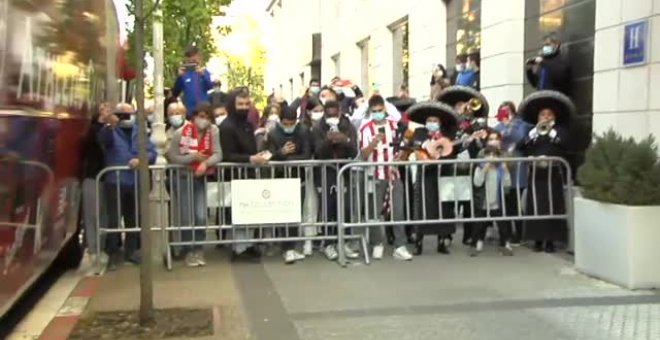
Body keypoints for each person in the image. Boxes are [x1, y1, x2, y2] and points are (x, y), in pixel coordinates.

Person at [98, 103, 157, 270]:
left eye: (129, 113)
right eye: (122, 113)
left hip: (136, 181)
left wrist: (141, 159)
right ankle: (113, 253)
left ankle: (132, 252)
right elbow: (102, 141)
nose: (126, 117)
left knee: (134, 218)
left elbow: (152, 152)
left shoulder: (140, 130)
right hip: (115, 181)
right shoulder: (110, 130)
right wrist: (109, 124)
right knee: (114, 219)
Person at [358, 95, 413, 261]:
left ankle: (400, 245)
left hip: (394, 173)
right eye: (374, 112)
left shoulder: (395, 126)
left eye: (380, 111)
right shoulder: (365, 129)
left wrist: (402, 155)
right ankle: (377, 243)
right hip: (374, 174)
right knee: (374, 211)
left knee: (398, 210)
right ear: (370, 112)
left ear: (385, 109)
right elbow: (363, 155)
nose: (377, 114)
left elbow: (405, 147)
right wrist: (373, 143)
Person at [167, 102, 222, 267]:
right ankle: (188, 249)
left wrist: (205, 164)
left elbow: (218, 154)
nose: (203, 120)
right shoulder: (180, 133)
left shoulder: (213, 131)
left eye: (207, 117)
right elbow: (173, 156)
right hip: (183, 178)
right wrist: (193, 158)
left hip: (200, 178)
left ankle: (198, 248)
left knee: (200, 215)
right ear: (194, 117)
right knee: (186, 216)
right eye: (201, 117)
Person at [518, 90, 573, 253]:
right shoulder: (534, 132)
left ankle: (550, 240)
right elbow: (521, 146)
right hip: (536, 174)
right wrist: (533, 132)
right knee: (535, 206)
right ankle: (537, 239)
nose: (546, 117)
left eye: (549, 114)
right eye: (543, 114)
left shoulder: (560, 131)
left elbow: (566, 144)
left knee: (552, 206)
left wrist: (552, 131)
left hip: (552, 174)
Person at [219, 88, 270, 260]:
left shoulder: (248, 124)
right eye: (240, 104)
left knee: (250, 211)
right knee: (238, 212)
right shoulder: (226, 126)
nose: (244, 107)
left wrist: (256, 157)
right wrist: (250, 158)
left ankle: (247, 245)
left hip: (248, 173)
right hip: (235, 175)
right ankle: (239, 248)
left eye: (247, 104)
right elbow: (227, 155)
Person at [436, 86, 490, 247]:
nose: (464, 108)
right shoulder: (448, 125)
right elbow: (446, 143)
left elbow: (482, 143)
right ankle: (446, 235)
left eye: (466, 105)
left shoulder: (476, 124)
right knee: (449, 201)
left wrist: (474, 130)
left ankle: (469, 235)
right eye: (459, 105)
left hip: (470, 166)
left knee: (469, 203)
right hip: (451, 165)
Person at [404, 102, 460, 255]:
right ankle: (418, 242)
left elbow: (454, 150)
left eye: (435, 121)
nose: (432, 124)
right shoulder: (420, 132)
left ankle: (442, 242)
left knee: (444, 209)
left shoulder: (448, 134)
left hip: (443, 174)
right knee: (423, 208)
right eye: (429, 120)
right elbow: (412, 144)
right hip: (425, 175)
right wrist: (425, 144)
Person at [311, 100, 359, 261]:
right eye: (329, 114)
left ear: (339, 112)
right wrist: (328, 141)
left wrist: (343, 139)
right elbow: (317, 152)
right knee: (328, 207)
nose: (332, 117)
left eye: (334, 113)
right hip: (326, 172)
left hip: (344, 171)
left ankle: (343, 242)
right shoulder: (318, 128)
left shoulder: (348, 126)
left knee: (345, 207)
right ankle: (328, 243)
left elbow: (354, 150)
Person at [266, 107, 312, 263]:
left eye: (292, 123)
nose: (289, 126)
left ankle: (290, 247)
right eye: (286, 123)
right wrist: (282, 153)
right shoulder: (273, 133)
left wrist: (290, 159)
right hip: (280, 178)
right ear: (280, 120)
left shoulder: (303, 131)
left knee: (295, 212)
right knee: (282, 211)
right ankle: (285, 246)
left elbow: (307, 154)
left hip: (298, 178)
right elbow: (269, 156)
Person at [494, 101, 532, 244]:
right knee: (504, 203)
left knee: (515, 203)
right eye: (502, 111)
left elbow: (520, 138)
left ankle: (520, 233)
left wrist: (511, 125)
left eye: (508, 111)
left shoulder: (521, 124)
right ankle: (506, 233)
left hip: (517, 168)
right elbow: (495, 141)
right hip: (503, 167)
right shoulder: (498, 126)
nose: (505, 114)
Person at [471, 130, 514, 257]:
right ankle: (477, 243)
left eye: (493, 154)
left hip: (497, 201)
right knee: (480, 224)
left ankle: (505, 244)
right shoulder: (479, 167)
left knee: (503, 224)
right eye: (488, 154)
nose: (491, 157)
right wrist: (484, 169)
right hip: (483, 201)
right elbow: (477, 183)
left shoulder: (500, 168)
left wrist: (506, 172)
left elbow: (507, 184)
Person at [81, 103, 111, 261]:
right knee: (93, 214)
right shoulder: (94, 130)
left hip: (105, 176)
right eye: (104, 109)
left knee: (103, 214)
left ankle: (101, 246)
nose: (107, 112)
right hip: (93, 175)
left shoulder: (110, 129)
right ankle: (93, 249)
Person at [172, 46, 213, 118]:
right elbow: (175, 92)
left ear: (199, 58)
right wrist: (179, 77)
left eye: (194, 59)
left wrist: (203, 75)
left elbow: (210, 86)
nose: (191, 61)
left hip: (204, 111)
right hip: (189, 112)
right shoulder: (183, 74)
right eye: (189, 59)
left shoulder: (204, 72)